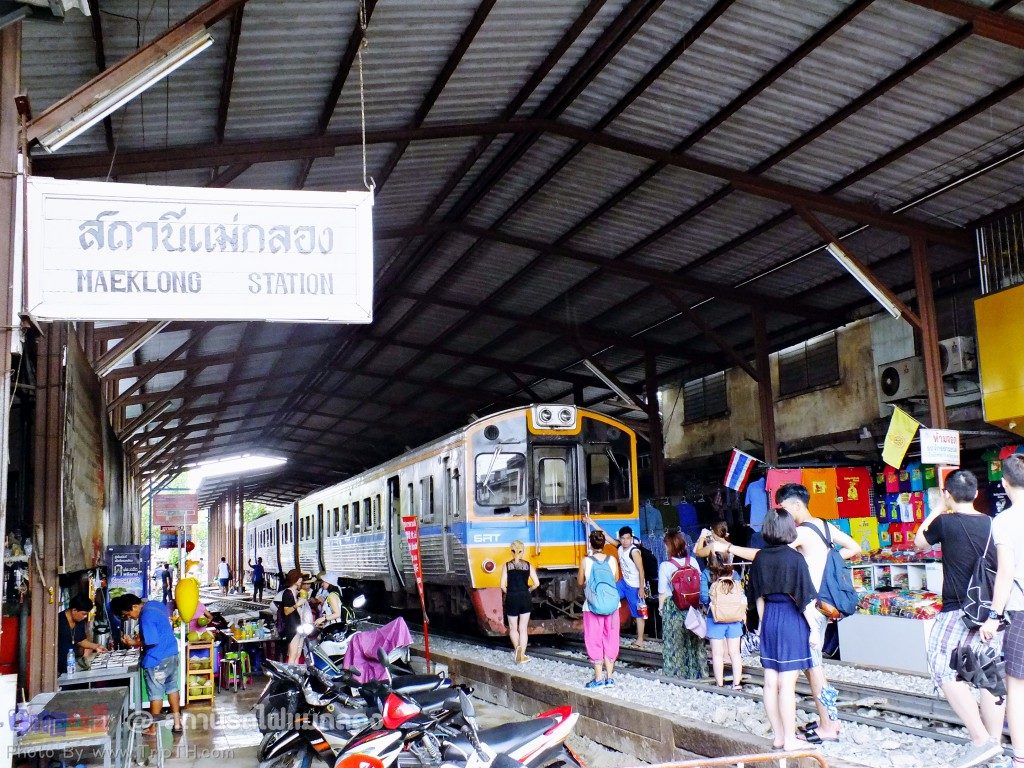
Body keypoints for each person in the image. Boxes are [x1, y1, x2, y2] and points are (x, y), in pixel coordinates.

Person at [914, 470, 1005, 767]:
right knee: (988, 673)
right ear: (977, 494)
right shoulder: (994, 524)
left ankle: (980, 740)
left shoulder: (945, 522)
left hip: (957, 609)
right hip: (991, 611)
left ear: (948, 493)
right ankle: (994, 744)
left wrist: (940, 507)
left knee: (941, 667)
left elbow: (920, 542)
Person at [747, 508, 820, 752]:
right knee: (787, 683)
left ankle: (778, 736)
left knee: (770, 681)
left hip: (769, 618)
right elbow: (805, 600)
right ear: (789, 529)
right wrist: (814, 630)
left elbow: (757, 597)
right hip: (791, 618)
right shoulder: (795, 558)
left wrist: (762, 624)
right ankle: (790, 739)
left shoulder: (759, 558)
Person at [981, 455, 1024, 768]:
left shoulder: (1005, 521)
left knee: (1017, 688)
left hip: (1020, 612)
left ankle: (1020, 758)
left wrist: (994, 616)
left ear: (1005, 483)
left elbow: (1006, 572)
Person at [111, 594, 182, 733]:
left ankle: (152, 728)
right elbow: (160, 629)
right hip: (172, 653)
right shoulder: (155, 604)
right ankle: (177, 724)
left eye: (128, 614)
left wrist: (133, 642)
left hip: (157, 658)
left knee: (156, 694)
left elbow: (152, 641)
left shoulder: (145, 616)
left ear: (134, 606)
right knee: (172, 688)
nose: (130, 617)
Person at [584, 517, 647, 649]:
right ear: (620, 538)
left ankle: (640, 640)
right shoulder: (619, 547)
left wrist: (642, 588)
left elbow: (641, 571)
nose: (625, 541)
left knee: (638, 613)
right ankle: (607, 632)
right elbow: (605, 535)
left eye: (628, 538)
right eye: (623, 538)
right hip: (624, 583)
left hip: (634, 586)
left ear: (631, 538)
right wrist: (591, 522)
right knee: (609, 599)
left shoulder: (634, 552)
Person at [658, 529, 707, 679]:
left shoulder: (665, 566)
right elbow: (699, 582)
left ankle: (677, 673)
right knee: (694, 642)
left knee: (676, 643)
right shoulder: (692, 561)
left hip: (673, 608)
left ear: (670, 546)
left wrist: (661, 610)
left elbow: (662, 592)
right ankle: (698, 672)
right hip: (692, 607)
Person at [578, 529, 620, 688]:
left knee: (594, 639)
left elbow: (580, 582)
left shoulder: (586, 561)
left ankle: (598, 679)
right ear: (604, 544)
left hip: (592, 606)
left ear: (591, 544)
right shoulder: (612, 560)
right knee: (611, 638)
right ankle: (610, 678)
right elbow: (615, 579)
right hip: (612, 606)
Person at [701, 551, 744, 688]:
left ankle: (720, 684)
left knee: (717, 654)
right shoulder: (735, 574)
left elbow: (703, 598)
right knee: (735, 653)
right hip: (735, 619)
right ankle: (737, 684)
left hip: (715, 619)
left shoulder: (706, 574)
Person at [500, 540, 538, 664]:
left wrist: (510, 592)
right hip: (525, 597)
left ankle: (517, 650)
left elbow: (502, 586)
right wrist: (528, 589)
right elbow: (536, 583)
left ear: (511, 552)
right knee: (523, 628)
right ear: (523, 552)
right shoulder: (528, 565)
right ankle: (522, 655)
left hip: (511, 597)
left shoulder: (506, 566)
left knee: (513, 628)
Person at [58, 595, 107, 671]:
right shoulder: (58, 621)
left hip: (71, 663)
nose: (85, 617)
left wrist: (96, 646)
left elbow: (81, 640)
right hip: (57, 665)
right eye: (84, 614)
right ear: (74, 610)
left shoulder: (79, 621)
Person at [278, 569, 308, 664]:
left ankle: (295, 674)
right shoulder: (287, 593)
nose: (301, 580)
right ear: (294, 579)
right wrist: (297, 604)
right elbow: (286, 611)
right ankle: (289, 675)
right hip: (292, 626)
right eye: (299, 578)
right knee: (293, 654)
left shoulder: (296, 592)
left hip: (298, 625)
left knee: (298, 653)